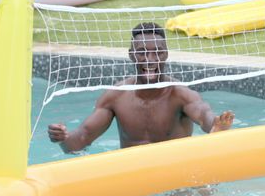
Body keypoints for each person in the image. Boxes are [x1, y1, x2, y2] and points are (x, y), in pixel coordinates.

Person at [47, 22, 234, 152]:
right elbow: (79, 142)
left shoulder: (181, 95)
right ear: (131, 55)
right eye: (142, 53)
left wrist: (216, 126)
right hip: (136, 179)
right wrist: (62, 139)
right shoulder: (116, 97)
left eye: (157, 53)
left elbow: (204, 116)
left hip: (178, 175)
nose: (150, 60)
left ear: (166, 54)